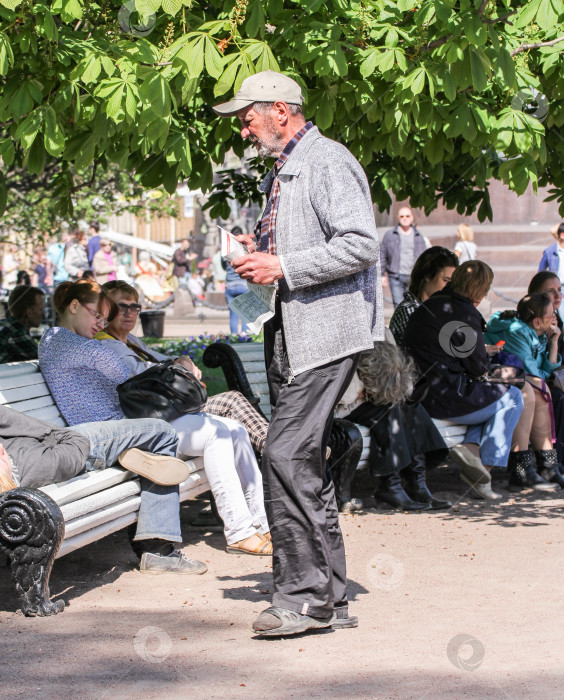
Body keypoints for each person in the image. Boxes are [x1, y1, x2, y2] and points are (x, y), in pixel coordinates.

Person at [214, 70, 384, 636]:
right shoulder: (287, 168)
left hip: (326, 337)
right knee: (300, 459)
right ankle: (325, 590)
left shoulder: (327, 160)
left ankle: (304, 598)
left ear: (281, 111)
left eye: (248, 116)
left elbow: (360, 244)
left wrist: (282, 265)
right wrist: (258, 252)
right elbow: (310, 246)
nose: (243, 127)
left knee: (285, 455)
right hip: (295, 334)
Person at [38, 280, 272, 556]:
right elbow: (128, 374)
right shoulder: (67, 343)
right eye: (96, 315)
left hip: (130, 421)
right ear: (74, 306)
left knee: (234, 428)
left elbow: (132, 373)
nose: (101, 323)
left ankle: (262, 522)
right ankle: (240, 531)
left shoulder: (71, 341)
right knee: (215, 434)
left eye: (104, 317)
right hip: (116, 430)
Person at [98, 280, 269, 455]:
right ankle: (276, 452)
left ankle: (276, 454)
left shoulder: (132, 341)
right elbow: (141, 371)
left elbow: (167, 360)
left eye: (134, 307)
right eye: (122, 307)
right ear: (107, 310)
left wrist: (183, 359)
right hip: (155, 413)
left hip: (170, 407)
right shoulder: (106, 344)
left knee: (234, 417)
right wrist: (180, 365)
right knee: (232, 402)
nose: (129, 313)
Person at [403, 261, 524, 500]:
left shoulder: (432, 304)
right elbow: (479, 369)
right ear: (481, 290)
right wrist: (507, 373)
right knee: (513, 396)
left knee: (499, 396)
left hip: (420, 391)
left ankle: (472, 451)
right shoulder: (465, 313)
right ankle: (485, 474)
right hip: (446, 395)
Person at [336, 336, 450, 511]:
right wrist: (361, 393)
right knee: (389, 412)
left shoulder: (382, 336)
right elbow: (344, 401)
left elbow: (405, 388)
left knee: (411, 408)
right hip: (343, 411)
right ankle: (391, 486)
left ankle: (417, 484)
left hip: (367, 398)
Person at [484, 294, 562, 491]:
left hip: (511, 376)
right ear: (537, 321)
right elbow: (534, 373)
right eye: (550, 315)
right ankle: (521, 468)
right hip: (491, 376)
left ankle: (547, 466)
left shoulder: (536, 333)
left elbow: (543, 370)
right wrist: (544, 377)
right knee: (534, 390)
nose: (554, 319)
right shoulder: (517, 332)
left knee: (539, 391)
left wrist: (553, 342)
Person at [389, 246, 458, 345]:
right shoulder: (410, 310)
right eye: (446, 280)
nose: (450, 287)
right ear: (428, 276)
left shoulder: (439, 308)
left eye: (453, 282)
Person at [379, 207, 427, 307]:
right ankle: (400, 323)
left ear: (412, 218)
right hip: (395, 276)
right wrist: (382, 275)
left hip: (413, 276)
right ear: (398, 218)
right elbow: (382, 255)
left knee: (413, 305)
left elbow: (425, 257)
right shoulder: (390, 235)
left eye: (407, 216)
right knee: (399, 304)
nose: (405, 218)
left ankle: (410, 323)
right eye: (402, 216)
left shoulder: (418, 236)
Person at [0, 285, 45, 363]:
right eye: (40, 309)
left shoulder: (5, 324)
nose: (43, 314)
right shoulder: (17, 333)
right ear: (29, 312)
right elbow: (47, 362)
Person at [224, 225, 250, 334]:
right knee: (246, 314)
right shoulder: (245, 250)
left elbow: (223, 266)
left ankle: (234, 338)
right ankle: (245, 336)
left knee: (233, 315)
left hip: (230, 286)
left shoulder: (226, 250)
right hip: (244, 285)